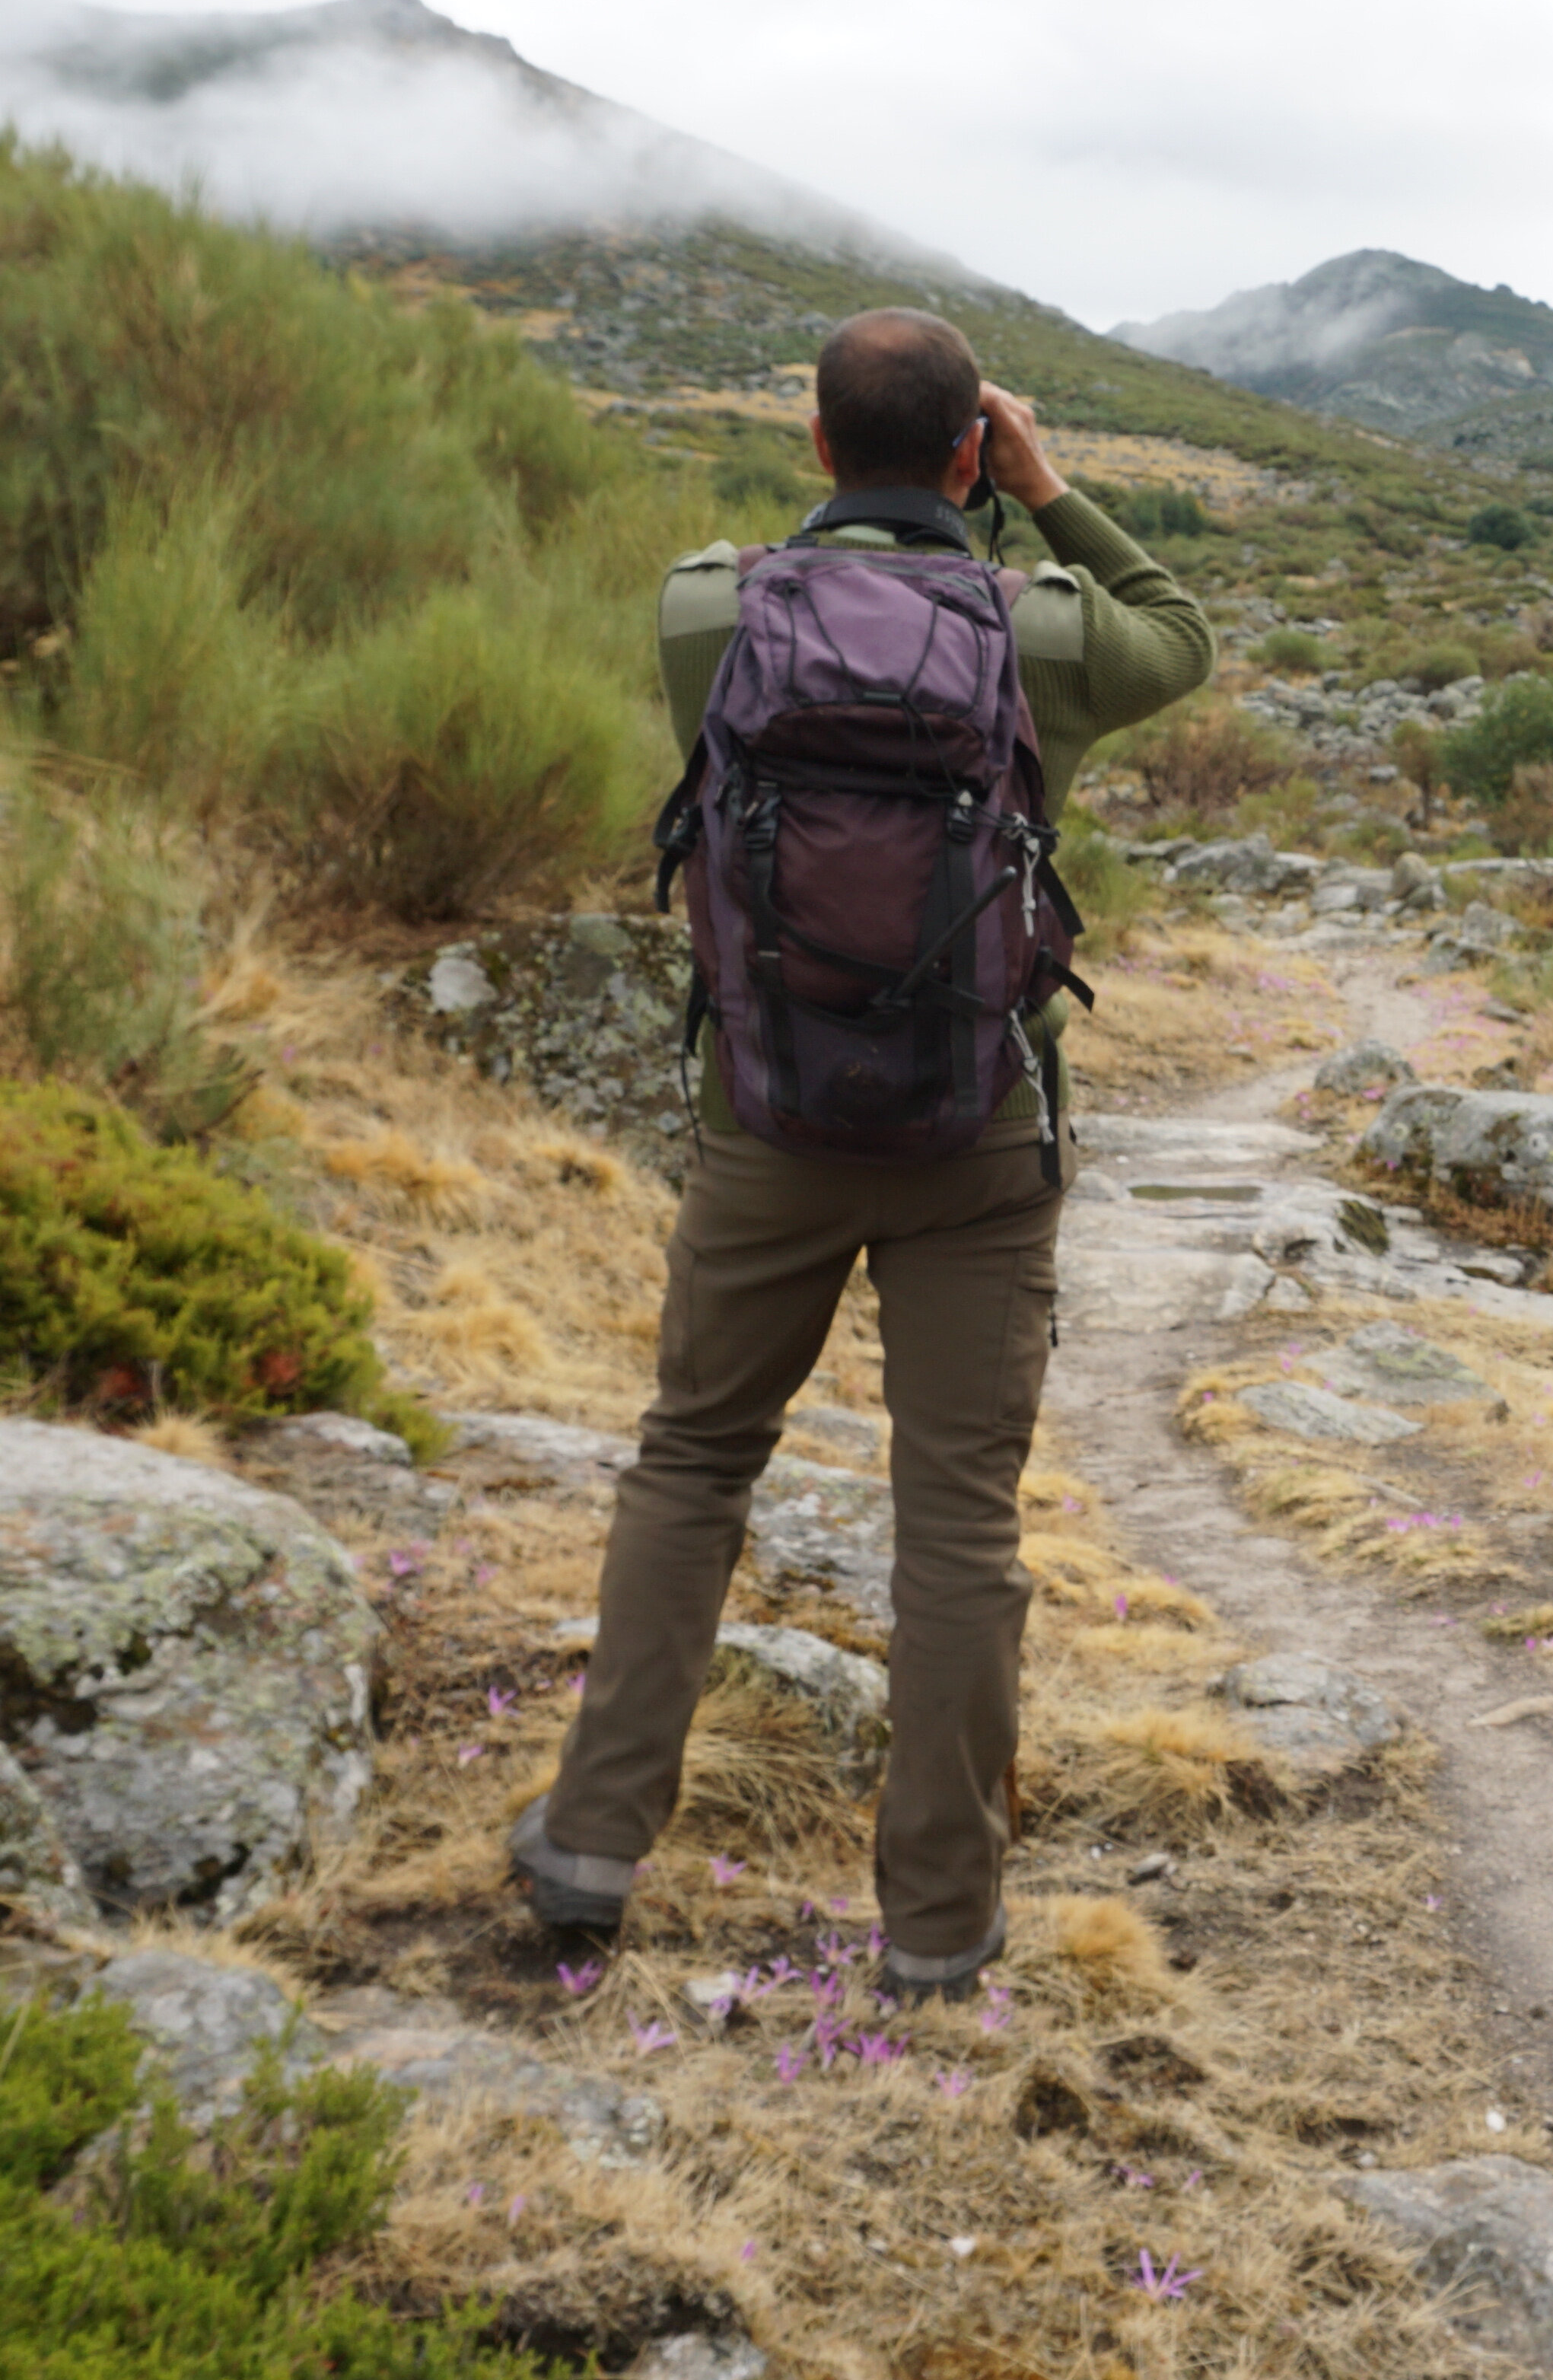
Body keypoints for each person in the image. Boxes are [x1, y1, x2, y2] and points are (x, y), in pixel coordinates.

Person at [514, 308, 1214, 2002]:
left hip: (765, 1119)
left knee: (692, 1461)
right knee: (958, 1522)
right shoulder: (1037, 636)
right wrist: (1044, 489)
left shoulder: (707, 611)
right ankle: (941, 1922)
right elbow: (1179, 636)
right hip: (978, 1127)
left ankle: (596, 1845)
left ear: (816, 448)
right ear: (972, 452)